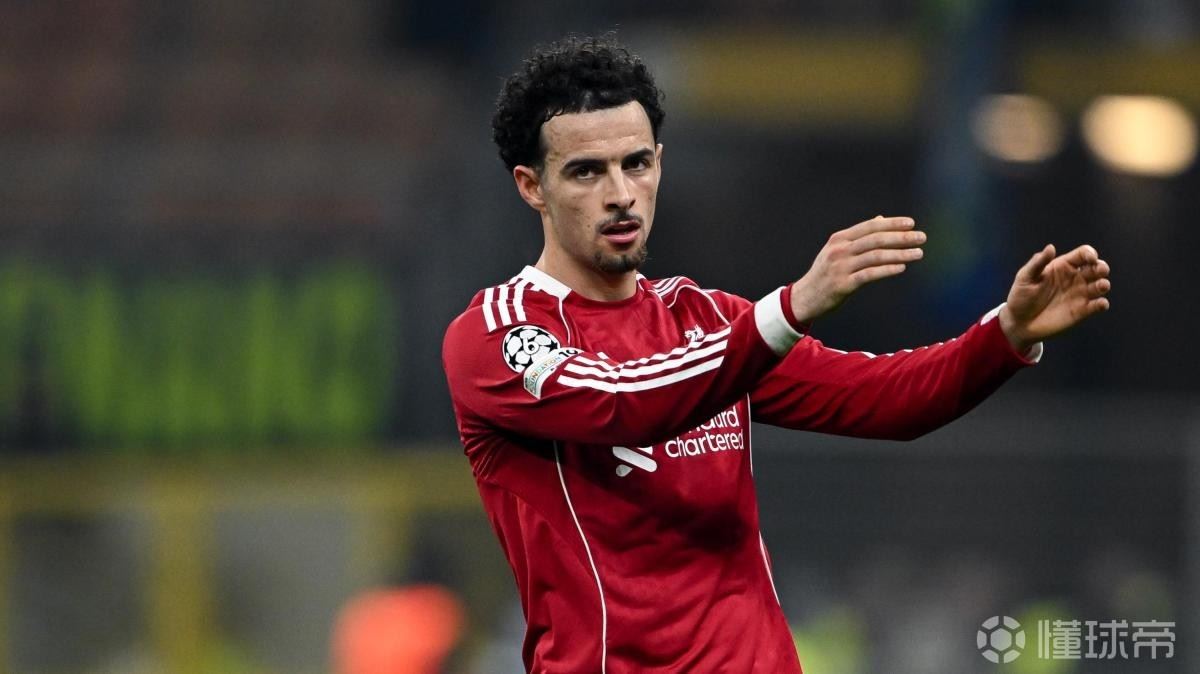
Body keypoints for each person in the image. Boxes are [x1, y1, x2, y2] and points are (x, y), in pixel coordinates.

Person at [441, 34, 1110, 674]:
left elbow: (883, 399)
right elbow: (622, 402)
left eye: (636, 163)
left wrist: (1005, 335)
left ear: (659, 164)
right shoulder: (497, 336)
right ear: (532, 186)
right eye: (586, 171)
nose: (619, 194)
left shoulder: (707, 321)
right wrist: (788, 310)